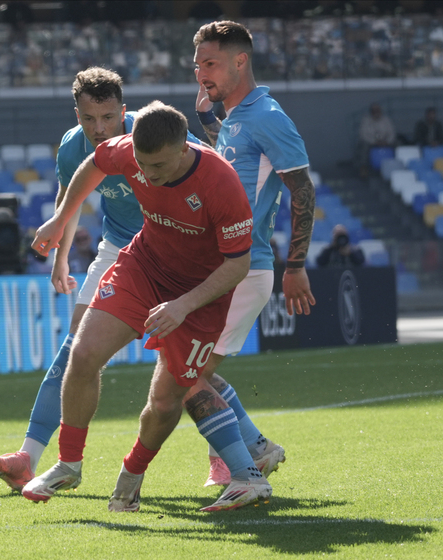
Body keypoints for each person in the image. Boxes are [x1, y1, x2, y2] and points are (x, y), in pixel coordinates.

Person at [23, 101, 271, 513]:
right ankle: (68, 463)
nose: (148, 175)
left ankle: (132, 474)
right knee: (82, 354)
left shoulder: (220, 183)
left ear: (183, 149)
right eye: (142, 164)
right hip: (143, 267)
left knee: (164, 401)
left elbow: (238, 264)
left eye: (158, 166)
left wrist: (182, 306)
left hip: (199, 294)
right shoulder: (129, 150)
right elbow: (94, 164)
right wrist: (62, 218)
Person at [0, 67, 207, 492]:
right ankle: (28, 457)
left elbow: (205, 174)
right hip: (119, 246)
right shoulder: (72, 148)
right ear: (77, 114)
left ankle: (242, 449)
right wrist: (61, 258)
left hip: (175, 253)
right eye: (88, 119)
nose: (99, 129)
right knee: (77, 348)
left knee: (185, 365)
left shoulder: (153, 133)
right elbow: (71, 199)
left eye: (108, 118)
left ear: (123, 112)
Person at [192, 20, 317, 487]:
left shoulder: (267, 116)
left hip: (245, 266)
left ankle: (245, 469)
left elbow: (302, 190)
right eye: (198, 64)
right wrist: (208, 122)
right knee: (184, 369)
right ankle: (254, 452)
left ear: (240, 61)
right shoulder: (240, 117)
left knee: (185, 375)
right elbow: (238, 165)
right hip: (224, 266)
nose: (202, 73)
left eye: (212, 64)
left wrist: (297, 264)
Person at [358, 102, 396, 175]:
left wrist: (387, 141)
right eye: (374, 110)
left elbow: (392, 133)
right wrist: (374, 142)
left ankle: (396, 166)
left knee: (397, 143)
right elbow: (363, 135)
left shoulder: (386, 120)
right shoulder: (365, 120)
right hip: (371, 143)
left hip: (385, 142)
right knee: (363, 146)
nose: (376, 112)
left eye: (378, 110)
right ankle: (363, 168)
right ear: (371, 111)